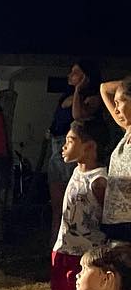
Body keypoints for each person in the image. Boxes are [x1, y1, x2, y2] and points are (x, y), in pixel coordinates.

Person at [51, 119, 110, 290]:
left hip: (84, 257)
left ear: (89, 146)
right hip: (64, 249)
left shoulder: (99, 181)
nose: (64, 146)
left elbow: (107, 218)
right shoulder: (76, 171)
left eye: (71, 140)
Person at [48, 63, 104, 228]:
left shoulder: (91, 98)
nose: (70, 75)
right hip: (57, 146)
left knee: (74, 202)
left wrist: (79, 89)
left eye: (76, 72)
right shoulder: (66, 96)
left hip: (76, 149)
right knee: (57, 205)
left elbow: (77, 115)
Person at [99, 77, 131, 242]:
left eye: (121, 102)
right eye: (115, 103)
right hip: (114, 222)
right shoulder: (128, 131)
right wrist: (124, 86)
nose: (116, 109)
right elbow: (104, 88)